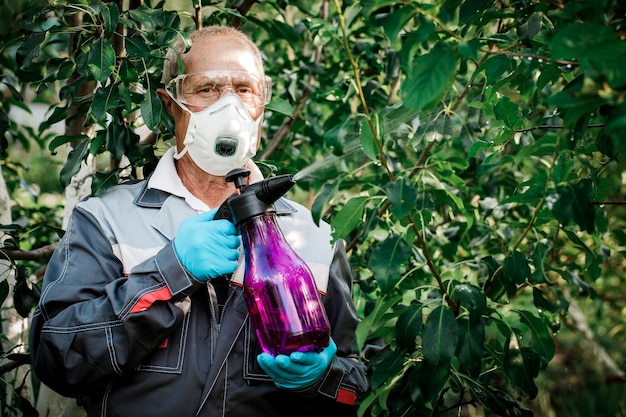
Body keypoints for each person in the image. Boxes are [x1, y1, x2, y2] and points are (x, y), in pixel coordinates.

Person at [29, 25, 368, 417]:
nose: (230, 108)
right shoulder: (107, 220)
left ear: (261, 103)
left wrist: (321, 378)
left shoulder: (316, 237)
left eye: (244, 90)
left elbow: (360, 389)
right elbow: (56, 357)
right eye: (206, 89)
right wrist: (169, 273)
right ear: (169, 102)